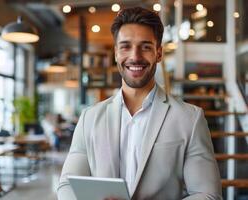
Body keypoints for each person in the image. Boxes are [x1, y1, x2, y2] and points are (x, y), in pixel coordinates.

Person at [58, 7, 222, 200]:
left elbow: (207, 194)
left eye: (145, 46)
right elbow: (67, 185)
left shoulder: (190, 118)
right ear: (116, 53)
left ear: (158, 53)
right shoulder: (89, 118)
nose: (135, 56)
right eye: (126, 46)